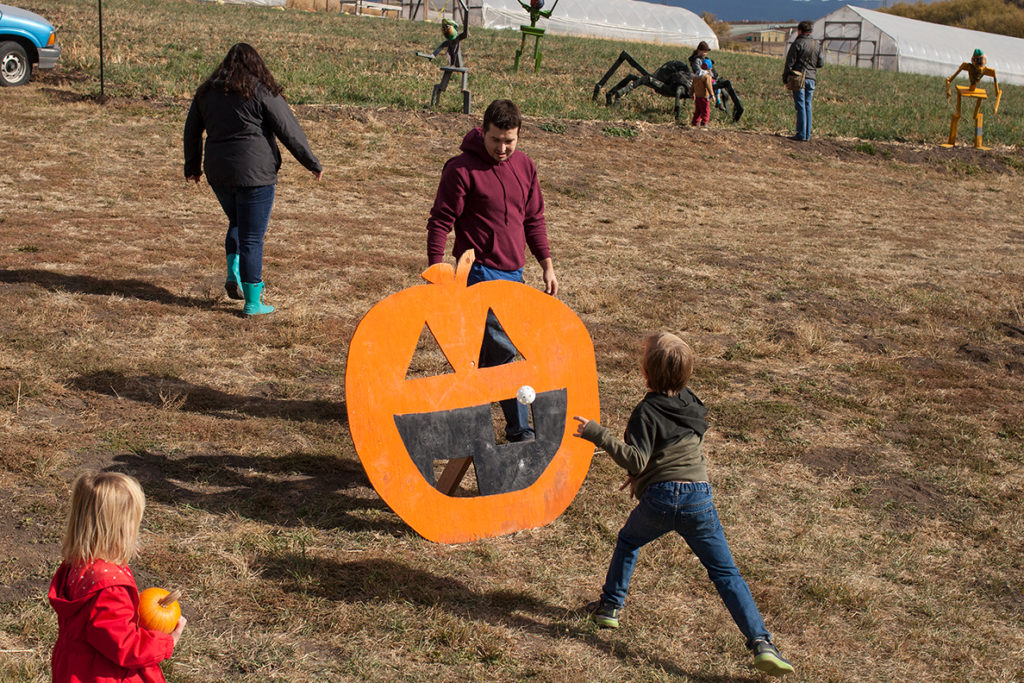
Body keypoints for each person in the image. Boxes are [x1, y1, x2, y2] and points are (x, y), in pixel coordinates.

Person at [573, 332, 794, 677]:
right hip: (698, 498)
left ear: (645, 373)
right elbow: (678, 451)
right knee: (725, 573)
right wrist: (646, 476)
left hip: (661, 499)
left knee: (629, 541)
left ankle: (610, 607)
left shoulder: (645, 411)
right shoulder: (693, 404)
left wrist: (597, 434)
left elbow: (636, 459)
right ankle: (762, 643)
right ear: (687, 374)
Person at [426, 99, 557, 442]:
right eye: (496, 139)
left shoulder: (525, 167)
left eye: (509, 141)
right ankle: (521, 430)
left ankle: (463, 423)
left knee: (482, 356)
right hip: (479, 273)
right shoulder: (461, 169)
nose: (502, 148)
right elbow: (441, 221)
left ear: (519, 136)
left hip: (515, 273)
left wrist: (546, 264)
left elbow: (534, 219)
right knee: (502, 351)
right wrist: (437, 268)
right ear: (483, 131)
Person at [184, 42, 323, 317]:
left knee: (237, 221)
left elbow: (191, 131)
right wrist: (311, 162)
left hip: (219, 172)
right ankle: (252, 301)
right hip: (256, 175)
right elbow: (289, 129)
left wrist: (192, 166)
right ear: (256, 64)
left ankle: (233, 273)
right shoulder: (260, 90)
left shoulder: (206, 92)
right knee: (252, 237)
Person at [49, 471, 186, 683]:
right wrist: (167, 642)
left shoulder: (75, 566)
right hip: (102, 675)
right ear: (121, 529)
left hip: (73, 669)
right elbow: (126, 646)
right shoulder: (110, 588)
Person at [783, 20, 824, 142]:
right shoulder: (816, 44)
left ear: (800, 30)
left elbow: (789, 63)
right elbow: (820, 64)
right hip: (812, 78)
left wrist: (785, 78)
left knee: (800, 105)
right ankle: (807, 135)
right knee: (808, 105)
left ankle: (801, 134)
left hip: (798, 77)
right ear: (810, 31)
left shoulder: (798, 43)